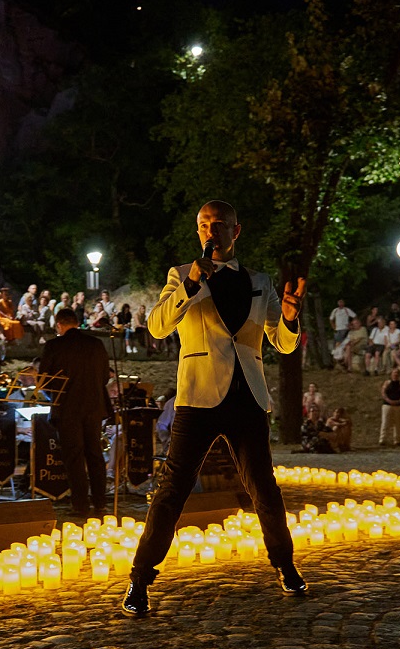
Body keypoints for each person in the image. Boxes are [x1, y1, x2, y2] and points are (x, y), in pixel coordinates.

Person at [124, 199, 307, 618]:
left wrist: (292, 320)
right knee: (172, 491)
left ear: (235, 231)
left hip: (248, 397)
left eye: (220, 224)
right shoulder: (180, 276)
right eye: (205, 224)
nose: (212, 230)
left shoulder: (261, 281)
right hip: (198, 396)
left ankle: (286, 566)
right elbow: (156, 326)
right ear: (198, 231)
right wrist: (190, 284)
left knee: (264, 488)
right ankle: (139, 580)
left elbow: (283, 343)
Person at [39, 308, 114, 521]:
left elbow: (44, 380)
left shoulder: (54, 345)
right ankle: (100, 503)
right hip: (93, 408)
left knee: (74, 457)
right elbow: (104, 377)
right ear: (77, 322)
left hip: (67, 409)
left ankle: (80, 505)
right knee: (95, 455)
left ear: (59, 325)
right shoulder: (96, 344)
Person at [379, 368, 400, 446]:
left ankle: (397, 439)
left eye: (397, 373)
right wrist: (388, 400)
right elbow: (383, 392)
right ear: (391, 374)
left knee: (398, 423)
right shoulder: (387, 383)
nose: (395, 374)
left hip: (398, 405)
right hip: (387, 405)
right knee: (385, 422)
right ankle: (382, 439)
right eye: (394, 373)